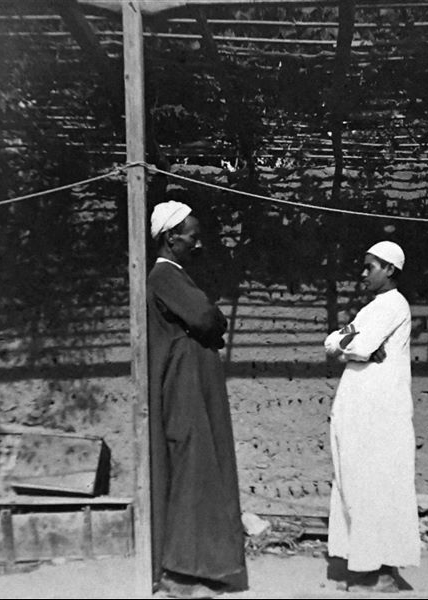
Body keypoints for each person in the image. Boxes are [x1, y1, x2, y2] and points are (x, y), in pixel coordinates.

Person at [147, 200, 248, 599]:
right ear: (172, 238)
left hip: (192, 383)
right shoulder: (165, 276)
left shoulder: (176, 276)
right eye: (193, 236)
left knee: (201, 469)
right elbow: (207, 319)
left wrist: (209, 320)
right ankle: (180, 574)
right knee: (191, 469)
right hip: (183, 385)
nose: (198, 243)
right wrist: (212, 319)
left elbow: (205, 320)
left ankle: (199, 565)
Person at [323, 241, 421, 593]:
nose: (363, 274)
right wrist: (350, 343)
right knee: (355, 481)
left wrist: (353, 344)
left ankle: (377, 572)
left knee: (376, 484)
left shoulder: (393, 306)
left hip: (380, 410)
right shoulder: (371, 309)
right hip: (358, 406)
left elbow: (357, 346)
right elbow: (333, 342)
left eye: (370, 267)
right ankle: (361, 565)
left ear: (389, 270)